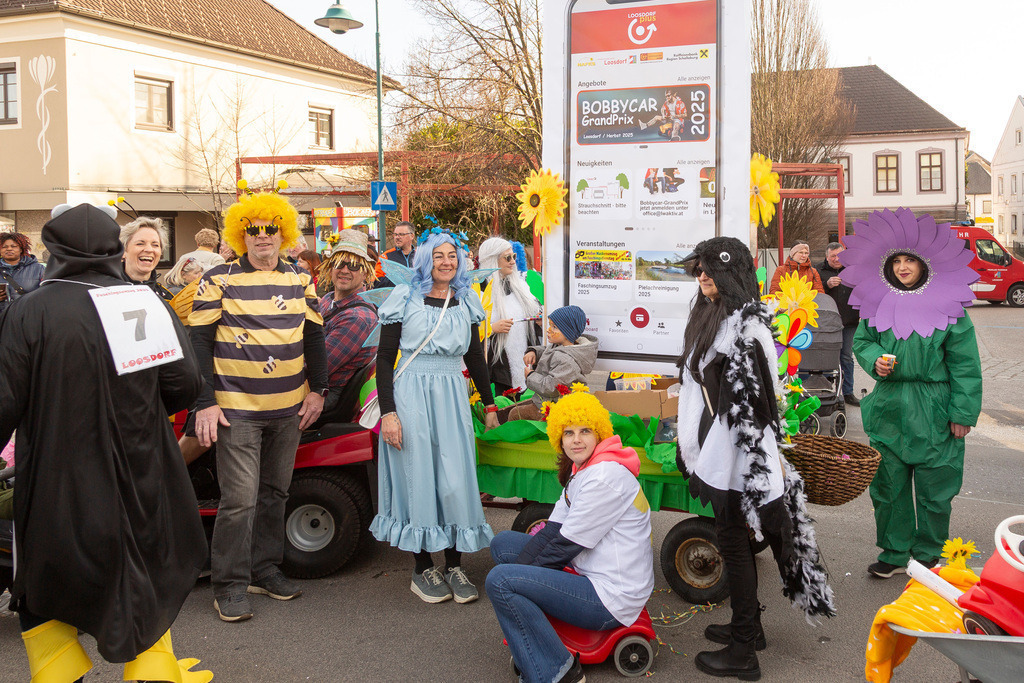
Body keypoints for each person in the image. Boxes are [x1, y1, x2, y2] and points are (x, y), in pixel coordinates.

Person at [0, 203, 211, 682]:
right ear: (113, 250)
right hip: (139, 464)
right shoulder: (141, 302)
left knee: (49, 568)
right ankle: (152, 668)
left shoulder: (28, 310)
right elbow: (183, 383)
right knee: (143, 561)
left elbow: (4, 401)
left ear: (53, 249)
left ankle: (58, 669)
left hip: (56, 468)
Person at [675, 236, 834, 680]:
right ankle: (751, 627)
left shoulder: (747, 327)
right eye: (699, 268)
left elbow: (759, 405)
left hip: (736, 457)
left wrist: (733, 462)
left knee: (734, 543)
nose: (702, 275)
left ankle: (744, 651)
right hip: (716, 451)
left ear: (732, 273)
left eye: (711, 268)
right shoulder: (713, 316)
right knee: (739, 542)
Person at [189, 189, 329, 622]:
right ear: (241, 235)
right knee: (240, 499)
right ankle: (228, 584)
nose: (263, 237)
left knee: (275, 492)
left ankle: (263, 568)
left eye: (271, 229)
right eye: (254, 230)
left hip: (288, 408)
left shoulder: (300, 278)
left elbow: (313, 336)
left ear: (283, 233)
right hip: (237, 409)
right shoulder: (219, 279)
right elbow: (197, 340)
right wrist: (204, 402)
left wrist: (318, 390)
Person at [843, 208, 982, 580]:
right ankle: (894, 552)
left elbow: (966, 365)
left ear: (924, 265)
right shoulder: (875, 307)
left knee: (936, 487)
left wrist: (963, 414)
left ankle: (929, 554)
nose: (903, 267)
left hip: (935, 406)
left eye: (910, 261)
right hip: (888, 405)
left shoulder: (952, 310)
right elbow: (863, 341)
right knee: (888, 485)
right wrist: (876, 362)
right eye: (898, 261)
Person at [486, 391, 654, 683]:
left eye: (585, 431)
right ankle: (534, 625)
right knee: (503, 544)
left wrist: (522, 581)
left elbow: (563, 546)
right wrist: (526, 577)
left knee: (500, 581)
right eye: (569, 433)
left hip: (610, 597)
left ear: (598, 432)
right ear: (559, 439)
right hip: (593, 572)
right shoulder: (584, 469)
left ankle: (558, 672)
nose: (576, 439)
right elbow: (553, 529)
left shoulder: (603, 477)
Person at [370, 230, 499, 604]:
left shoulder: (467, 301)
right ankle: (422, 566)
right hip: (410, 392)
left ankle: (455, 563)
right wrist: (389, 413)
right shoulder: (404, 298)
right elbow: (383, 358)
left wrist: (490, 405)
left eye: (453, 255)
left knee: (455, 478)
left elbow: (475, 357)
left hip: (451, 393)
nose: (447, 262)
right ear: (426, 260)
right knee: (419, 476)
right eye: (439, 255)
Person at [318, 230, 378, 412]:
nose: (345, 270)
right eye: (339, 263)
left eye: (353, 266)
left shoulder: (357, 317)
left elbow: (318, 369)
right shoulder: (328, 299)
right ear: (330, 267)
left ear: (366, 273)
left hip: (325, 395)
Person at [477, 237, 542, 396]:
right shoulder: (478, 291)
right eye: (507, 258)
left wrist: (539, 319)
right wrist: (491, 329)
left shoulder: (521, 285)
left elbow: (535, 312)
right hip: (497, 370)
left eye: (514, 256)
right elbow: (466, 329)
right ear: (492, 260)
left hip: (525, 364)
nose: (513, 261)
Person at [523, 305, 598, 403]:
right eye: (550, 325)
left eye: (554, 327)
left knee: (514, 414)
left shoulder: (567, 360)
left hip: (555, 406)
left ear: (568, 333)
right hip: (546, 400)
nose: (548, 330)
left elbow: (551, 387)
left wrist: (531, 376)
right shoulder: (560, 346)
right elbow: (549, 351)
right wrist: (535, 352)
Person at [817, 241, 860, 405]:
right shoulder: (818, 270)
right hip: (827, 323)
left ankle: (848, 392)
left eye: (839, 255)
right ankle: (827, 390)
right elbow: (814, 293)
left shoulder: (853, 269)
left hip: (850, 321)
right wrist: (827, 285)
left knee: (847, 358)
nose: (837, 258)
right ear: (827, 257)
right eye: (833, 256)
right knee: (827, 356)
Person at [120, 216, 174, 301]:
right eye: (140, 244)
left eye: (155, 245)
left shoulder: (167, 298)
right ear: (123, 251)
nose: (149, 250)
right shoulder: (106, 292)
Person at [0, 231, 45, 309]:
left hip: (28, 316)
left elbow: (48, 294)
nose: (9, 249)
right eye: (4, 247)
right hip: (3, 317)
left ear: (21, 249)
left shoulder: (39, 269)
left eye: (13, 246)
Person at [374, 220, 416, 288]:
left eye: (401, 234)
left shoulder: (420, 255)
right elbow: (376, 282)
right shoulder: (385, 257)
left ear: (412, 236)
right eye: (395, 234)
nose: (397, 237)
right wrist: (399, 279)